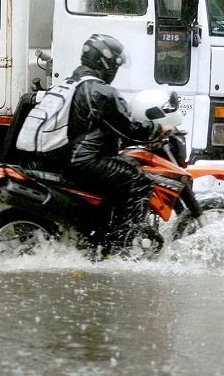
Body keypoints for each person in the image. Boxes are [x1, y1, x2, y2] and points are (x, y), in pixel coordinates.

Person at [62, 34, 174, 247]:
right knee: (139, 181)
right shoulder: (100, 91)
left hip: (66, 157)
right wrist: (158, 129)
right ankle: (121, 247)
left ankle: (102, 234)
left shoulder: (73, 82)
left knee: (121, 173)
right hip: (83, 160)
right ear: (105, 64)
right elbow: (128, 126)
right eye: (115, 65)